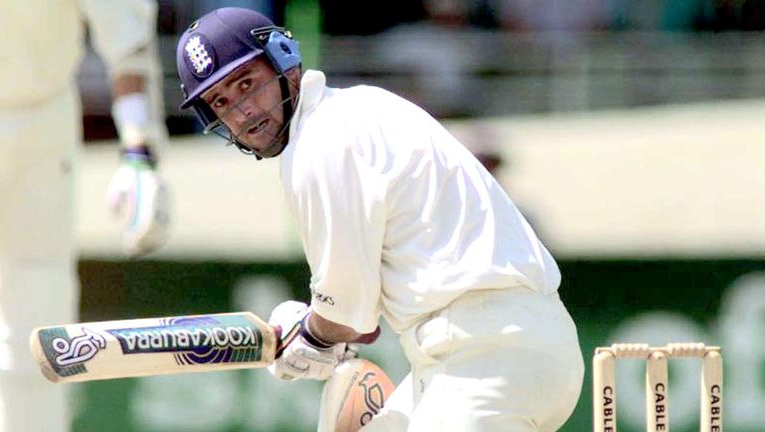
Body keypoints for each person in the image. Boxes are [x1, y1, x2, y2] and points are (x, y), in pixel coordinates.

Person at [176, 7, 583, 431]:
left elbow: (348, 314)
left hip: (486, 358)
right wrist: (317, 328)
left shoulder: (320, 144)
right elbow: (361, 320)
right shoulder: (359, 106)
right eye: (221, 101)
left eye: (247, 84)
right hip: (488, 352)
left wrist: (309, 337)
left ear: (284, 62)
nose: (242, 110)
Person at [0, 1, 170, 431]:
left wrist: (139, 152)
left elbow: (127, 41)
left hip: (40, 129)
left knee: (35, 326)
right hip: (40, 124)